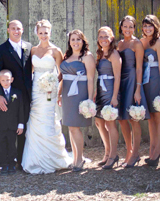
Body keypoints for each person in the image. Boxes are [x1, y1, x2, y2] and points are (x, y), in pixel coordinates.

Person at [22, 20, 72, 174]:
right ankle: (34, 159)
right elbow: (29, 72)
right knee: (35, 121)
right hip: (36, 91)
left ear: (50, 33)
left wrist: (56, 88)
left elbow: (62, 72)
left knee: (49, 121)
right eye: (41, 32)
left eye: (46, 32)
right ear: (37, 33)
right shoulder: (33, 50)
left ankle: (53, 157)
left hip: (50, 91)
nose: (43, 35)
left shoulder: (56, 51)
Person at [0, 20, 32, 169]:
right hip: (9, 97)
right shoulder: (0, 50)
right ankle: (6, 161)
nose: (16, 31)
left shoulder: (29, 47)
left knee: (23, 127)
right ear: (8, 30)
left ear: (22, 30)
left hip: (26, 96)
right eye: (13, 28)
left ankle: (20, 161)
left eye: (19, 29)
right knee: (8, 130)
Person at [60, 29, 95, 172]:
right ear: (69, 42)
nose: (75, 42)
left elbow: (91, 78)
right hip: (67, 94)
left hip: (80, 94)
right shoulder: (66, 56)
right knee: (70, 126)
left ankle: (80, 159)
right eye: (73, 39)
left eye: (78, 39)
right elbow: (61, 77)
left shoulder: (87, 56)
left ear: (83, 41)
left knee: (76, 127)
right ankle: (74, 158)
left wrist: (89, 99)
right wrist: (58, 94)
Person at [117, 16, 150, 168]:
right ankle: (128, 151)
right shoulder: (119, 44)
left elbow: (139, 67)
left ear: (134, 28)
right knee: (122, 118)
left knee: (133, 118)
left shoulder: (137, 43)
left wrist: (138, 89)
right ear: (121, 27)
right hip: (121, 81)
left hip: (132, 80)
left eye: (131, 27)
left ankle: (136, 153)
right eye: (125, 26)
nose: (128, 29)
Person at [140, 15, 160, 167]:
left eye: (150, 26)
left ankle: (158, 150)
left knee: (158, 115)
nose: (147, 29)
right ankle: (152, 149)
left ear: (155, 26)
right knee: (150, 116)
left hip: (157, 79)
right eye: (145, 26)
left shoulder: (159, 43)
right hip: (145, 81)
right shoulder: (141, 41)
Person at [94, 26, 122, 170]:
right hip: (100, 89)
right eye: (101, 37)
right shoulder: (100, 53)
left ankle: (113, 155)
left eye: (106, 36)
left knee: (110, 123)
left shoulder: (114, 54)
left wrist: (115, 97)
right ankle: (107, 152)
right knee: (99, 122)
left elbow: (117, 77)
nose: (103, 39)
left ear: (111, 38)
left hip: (110, 89)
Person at [0, 70, 24, 175]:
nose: (5, 82)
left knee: (12, 144)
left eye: (7, 80)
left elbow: (20, 110)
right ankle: (3, 164)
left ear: (12, 80)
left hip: (13, 125)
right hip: (1, 125)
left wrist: (21, 124)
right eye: (3, 80)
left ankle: (12, 164)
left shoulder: (17, 93)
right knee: (1, 145)